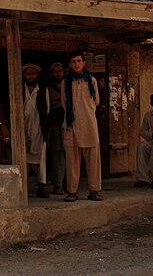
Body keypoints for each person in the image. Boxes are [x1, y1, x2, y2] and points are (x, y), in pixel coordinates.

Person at [61, 51, 103, 202]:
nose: (76, 64)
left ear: (84, 63)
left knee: (93, 159)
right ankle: (72, 191)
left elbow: (96, 101)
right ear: (70, 64)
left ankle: (94, 190)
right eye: (73, 62)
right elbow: (64, 103)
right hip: (72, 124)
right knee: (72, 160)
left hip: (89, 124)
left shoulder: (91, 81)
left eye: (79, 61)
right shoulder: (66, 82)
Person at [22, 63, 49, 198]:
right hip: (24, 127)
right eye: (28, 74)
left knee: (41, 158)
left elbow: (47, 109)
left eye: (33, 74)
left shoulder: (43, 90)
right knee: (23, 157)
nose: (30, 76)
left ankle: (41, 186)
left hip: (39, 127)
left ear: (37, 75)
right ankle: (23, 187)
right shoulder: (20, 90)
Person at [46, 62, 67, 195]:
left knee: (70, 155)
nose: (58, 73)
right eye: (55, 71)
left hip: (69, 124)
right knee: (57, 155)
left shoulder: (69, 85)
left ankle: (69, 184)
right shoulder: (47, 89)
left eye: (60, 71)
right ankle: (58, 184)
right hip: (54, 125)